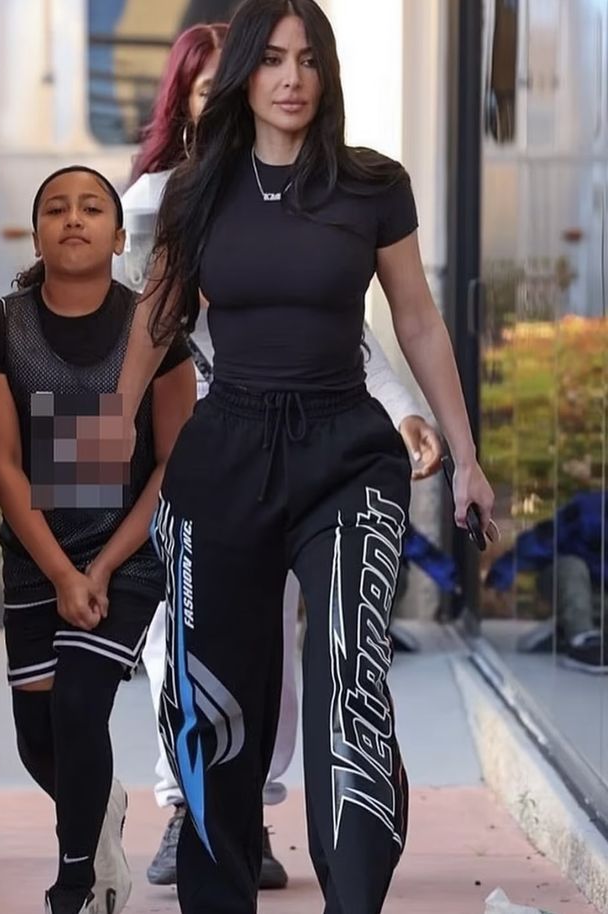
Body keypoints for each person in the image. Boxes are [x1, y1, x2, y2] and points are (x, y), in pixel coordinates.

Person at [116, 1, 495, 911]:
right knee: (218, 692)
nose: (292, 78)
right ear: (246, 73)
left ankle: (355, 890)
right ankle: (220, 885)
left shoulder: (372, 186)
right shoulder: (196, 189)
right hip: (226, 454)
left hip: (345, 456)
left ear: (327, 75)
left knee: (345, 672)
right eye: (274, 60)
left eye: (309, 60)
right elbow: (153, 324)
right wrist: (94, 461)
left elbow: (415, 320)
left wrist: (470, 460)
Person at [0, 165, 196, 914]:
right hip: (37, 553)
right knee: (40, 737)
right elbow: (4, 465)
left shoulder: (155, 328)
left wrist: (97, 568)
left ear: (119, 233)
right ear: (36, 233)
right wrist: (63, 573)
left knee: (78, 707)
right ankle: (100, 808)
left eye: (92, 207)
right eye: (56, 209)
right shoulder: (3, 326)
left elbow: (171, 463)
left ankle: (75, 885)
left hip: (126, 556)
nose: (74, 218)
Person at [485, 492, 608, 672]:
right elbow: (540, 541)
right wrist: (500, 577)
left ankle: (568, 630)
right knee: (573, 567)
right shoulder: (591, 511)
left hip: (600, 596)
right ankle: (583, 640)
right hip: (567, 579)